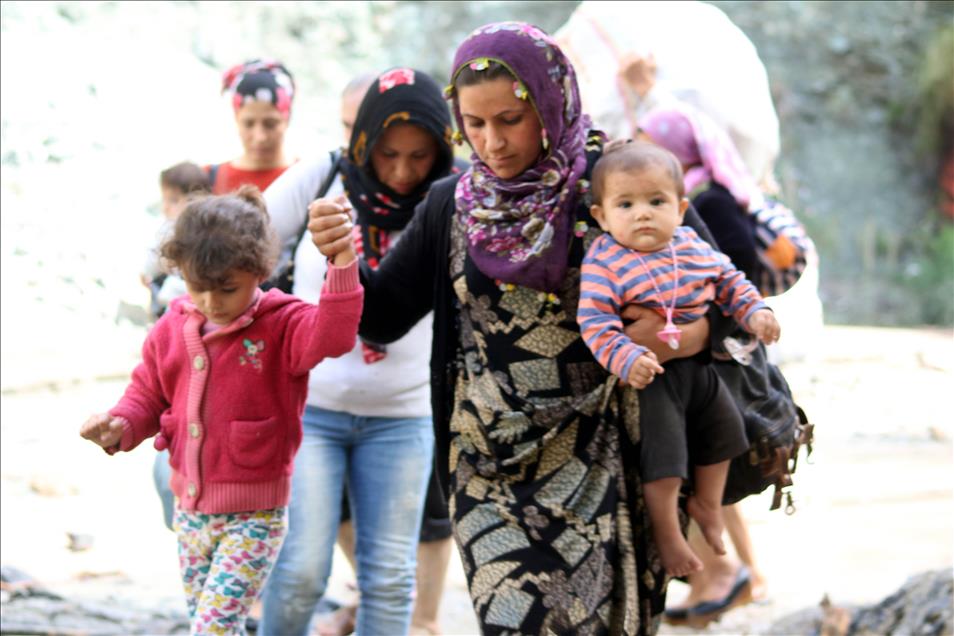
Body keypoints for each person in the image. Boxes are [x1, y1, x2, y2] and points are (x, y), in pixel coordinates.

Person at [309, 22, 749, 635]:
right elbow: (382, 319)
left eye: (510, 120)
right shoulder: (451, 204)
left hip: (614, 456)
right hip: (491, 466)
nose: (492, 142)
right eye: (474, 123)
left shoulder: (618, 183)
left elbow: (729, 290)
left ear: (549, 103)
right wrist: (343, 260)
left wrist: (690, 338)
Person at [79, 186, 363, 635]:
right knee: (212, 625)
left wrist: (342, 260)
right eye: (199, 288)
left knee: (210, 629)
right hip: (190, 512)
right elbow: (148, 393)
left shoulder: (282, 322)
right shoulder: (172, 325)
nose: (212, 302)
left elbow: (334, 334)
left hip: (255, 517)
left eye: (228, 289)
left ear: (258, 271)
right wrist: (120, 423)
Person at [259, 67, 458, 636]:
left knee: (390, 579)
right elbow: (242, 240)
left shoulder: (452, 199)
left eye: (419, 156)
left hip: (403, 416)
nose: (402, 171)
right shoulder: (323, 178)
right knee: (300, 570)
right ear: (363, 141)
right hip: (311, 409)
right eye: (388, 154)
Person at [578, 140, 780, 577]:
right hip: (654, 378)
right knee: (666, 459)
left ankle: (708, 504)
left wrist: (755, 311)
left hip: (700, 368)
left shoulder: (690, 245)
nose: (643, 214)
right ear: (601, 216)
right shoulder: (605, 261)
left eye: (656, 202)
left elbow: (730, 280)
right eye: (625, 204)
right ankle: (670, 536)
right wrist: (626, 357)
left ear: (681, 208)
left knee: (727, 431)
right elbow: (594, 321)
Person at [211, 59, 297, 194]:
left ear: (287, 119)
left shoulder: (309, 177)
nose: (260, 137)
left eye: (270, 124)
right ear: (236, 119)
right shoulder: (208, 180)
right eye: (248, 124)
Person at [141, 161, 211, 323]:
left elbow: (155, 254)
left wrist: (146, 272)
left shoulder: (173, 228)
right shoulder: (209, 223)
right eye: (164, 199)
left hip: (179, 291)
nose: (165, 207)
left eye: (173, 200)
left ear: (197, 199)